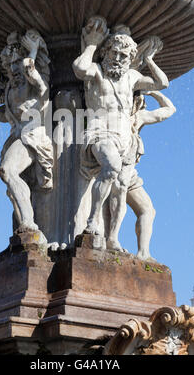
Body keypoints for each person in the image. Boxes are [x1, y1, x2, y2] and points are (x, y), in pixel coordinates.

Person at [73, 15, 169, 242]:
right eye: (114, 53)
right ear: (106, 53)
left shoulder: (133, 77)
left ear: (129, 59)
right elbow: (78, 68)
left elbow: (162, 83)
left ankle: (113, 238)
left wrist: (149, 60)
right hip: (100, 132)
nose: (118, 59)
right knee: (112, 166)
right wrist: (93, 44)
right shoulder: (96, 70)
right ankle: (91, 221)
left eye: (124, 56)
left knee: (120, 187)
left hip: (126, 139)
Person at [0, 30, 53, 234]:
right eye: (10, 64)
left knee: (7, 171)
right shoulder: (11, 88)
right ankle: (26, 228)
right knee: (10, 186)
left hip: (32, 135)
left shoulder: (35, 83)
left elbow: (38, 81)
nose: (13, 68)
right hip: (16, 136)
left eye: (17, 63)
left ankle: (30, 223)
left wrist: (33, 49)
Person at [106, 91, 176, 259]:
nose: (139, 103)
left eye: (140, 100)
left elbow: (170, 109)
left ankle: (143, 253)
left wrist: (153, 92)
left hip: (129, 174)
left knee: (148, 210)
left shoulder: (139, 117)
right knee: (121, 205)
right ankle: (112, 239)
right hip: (111, 169)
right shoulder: (114, 114)